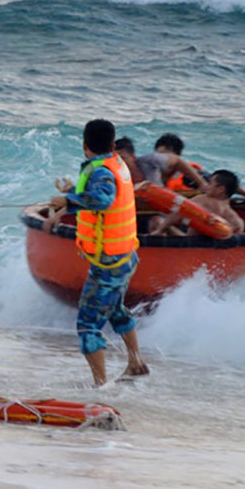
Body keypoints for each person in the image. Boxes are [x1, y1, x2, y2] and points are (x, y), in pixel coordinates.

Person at [46, 119, 149, 386]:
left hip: (110, 262)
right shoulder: (116, 164)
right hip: (125, 255)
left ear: (84, 146)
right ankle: (136, 363)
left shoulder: (102, 172)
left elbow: (103, 200)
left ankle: (100, 387)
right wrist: (70, 196)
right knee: (115, 310)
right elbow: (100, 198)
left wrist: (68, 200)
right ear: (113, 145)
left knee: (87, 324)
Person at [150, 169, 245, 236]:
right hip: (212, 248)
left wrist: (160, 230)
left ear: (221, 189)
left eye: (210, 183)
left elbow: (179, 211)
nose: (207, 186)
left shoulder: (203, 200)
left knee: (157, 220)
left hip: (190, 243)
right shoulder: (235, 219)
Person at [114, 136, 209, 191]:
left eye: (123, 158)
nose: (120, 163)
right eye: (116, 160)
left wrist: (202, 184)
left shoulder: (150, 160)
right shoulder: (112, 174)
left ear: (133, 157)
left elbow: (177, 160)